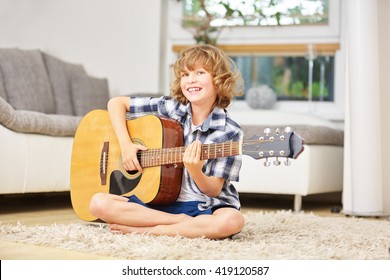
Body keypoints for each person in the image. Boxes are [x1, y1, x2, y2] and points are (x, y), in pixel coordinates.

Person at [89, 44, 245, 239]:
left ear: (219, 80)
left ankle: (149, 229)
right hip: (160, 202)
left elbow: (213, 189)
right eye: (185, 75)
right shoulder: (173, 108)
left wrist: (195, 170)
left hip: (205, 206)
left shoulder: (229, 131)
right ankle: (178, 223)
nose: (191, 80)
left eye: (200, 72)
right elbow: (116, 103)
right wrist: (126, 145)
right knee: (98, 203)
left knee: (232, 221)